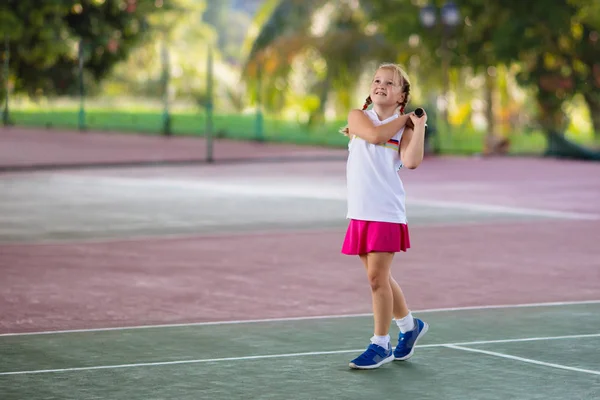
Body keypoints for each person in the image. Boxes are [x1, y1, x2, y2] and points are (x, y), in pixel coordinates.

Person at [340, 63, 429, 370]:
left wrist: (418, 127)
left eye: (390, 83)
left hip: (386, 211)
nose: (381, 85)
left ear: (401, 95)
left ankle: (381, 344)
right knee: (381, 277)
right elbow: (376, 136)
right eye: (377, 80)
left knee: (377, 279)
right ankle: (409, 327)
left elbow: (412, 161)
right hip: (360, 211)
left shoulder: (404, 129)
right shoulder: (358, 117)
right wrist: (407, 117)